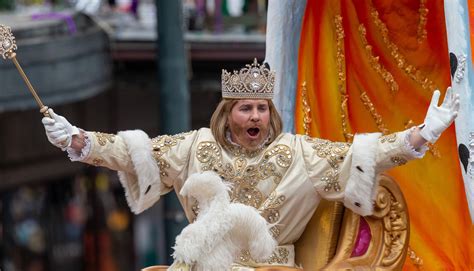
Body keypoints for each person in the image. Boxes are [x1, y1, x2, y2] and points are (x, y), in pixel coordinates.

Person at [41, 59, 459, 269]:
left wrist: (422, 133)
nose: (255, 116)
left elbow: (364, 157)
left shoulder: (301, 154)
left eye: (262, 108)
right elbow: (134, 152)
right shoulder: (195, 148)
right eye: (245, 108)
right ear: (228, 114)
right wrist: (77, 139)